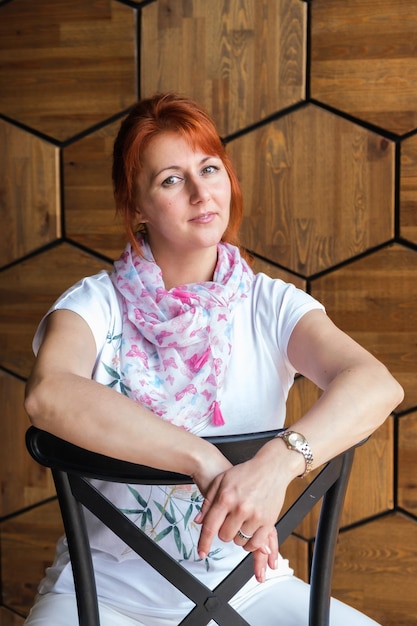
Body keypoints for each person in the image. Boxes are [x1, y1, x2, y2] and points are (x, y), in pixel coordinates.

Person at [24, 92, 403, 626]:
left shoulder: (268, 303)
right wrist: (203, 459)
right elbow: (49, 393)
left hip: (251, 588)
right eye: (172, 180)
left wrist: (278, 462)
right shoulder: (94, 304)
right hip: (103, 595)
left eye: (210, 169)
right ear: (136, 205)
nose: (202, 192)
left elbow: (376, 384)